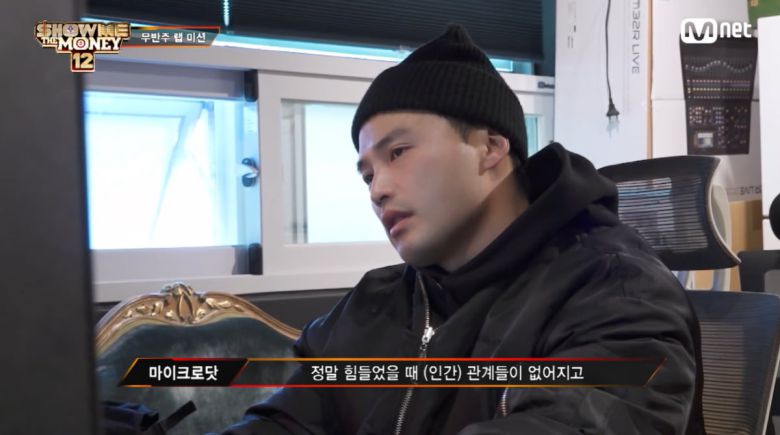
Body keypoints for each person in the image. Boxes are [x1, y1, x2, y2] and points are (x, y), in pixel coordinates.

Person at [220, 24, 704, 435]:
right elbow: (289, 420)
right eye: (367, 175)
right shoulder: (376, 302)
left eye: (398, 153)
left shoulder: (614, 288)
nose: (377, 190)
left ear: (490, 147)